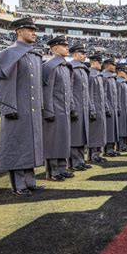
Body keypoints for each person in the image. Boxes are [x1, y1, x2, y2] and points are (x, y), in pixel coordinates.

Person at [0, 17, 44, 197]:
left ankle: (29, 181)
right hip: (17, 109)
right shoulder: (9, 53)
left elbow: (37, 85)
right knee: (17, 146)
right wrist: (9, 107)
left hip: (31, 110)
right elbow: (4, 84)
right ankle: (18, 185)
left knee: (30, 146)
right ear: (19, 31)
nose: (34, 33)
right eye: (30, 29)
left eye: (35, 30)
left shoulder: (34, 55)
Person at [42, 35, 74, 181]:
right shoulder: (49, 66)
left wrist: (72, 108)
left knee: (63, 140)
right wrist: (48, 110)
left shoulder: (66, 67)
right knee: (53, 141)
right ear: (55, 48)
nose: (67, 48)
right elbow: (46, 91)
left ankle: (62, 167)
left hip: (64, 110)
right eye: (64, 46)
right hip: (54, 109)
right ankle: (52, 171)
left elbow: (69, 90)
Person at [69, 44, 96, 171]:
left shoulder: (83, 69)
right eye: (81, 53)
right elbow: (69, 90)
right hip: (76, 108)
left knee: (82, 136)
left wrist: (90, 108)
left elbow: (87, 92)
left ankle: (80, 160)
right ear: (74, 54)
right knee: (75, 137)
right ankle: (74, 162)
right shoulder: (71, 68)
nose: (84, 56)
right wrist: (72, 108)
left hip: (84, 108)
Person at [87, 54, 108, 163]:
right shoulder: (90, 74)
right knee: (94, 133)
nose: (101, 65)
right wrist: (91, 108)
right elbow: (88, 93)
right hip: (94, 108)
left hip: (100, 108)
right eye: (99, 63)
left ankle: (97, 154)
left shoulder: (99, 76)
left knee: (100, 132)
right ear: (94, 62)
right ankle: (92, 155)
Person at [101, 58, 120, 157]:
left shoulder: (112, 77)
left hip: (113, 107)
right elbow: (102, 94)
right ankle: (107, 150)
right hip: (108, 108)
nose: (114, 67)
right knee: (108, 130)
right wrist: (107, 107)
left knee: (113, 129)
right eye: (113, 65)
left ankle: (111, 148)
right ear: (107, 65)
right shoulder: (104, 76)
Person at [116, 66, 127, 152]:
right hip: (121, 109)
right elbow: (117, 97)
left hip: (125, 108)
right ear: (119, 72)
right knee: (121, 128)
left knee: (125, 128)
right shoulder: (118, 82)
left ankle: (124, 144)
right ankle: (120, 145)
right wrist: (118, 108)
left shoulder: (124, 83)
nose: (125, 73)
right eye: (123, 71)